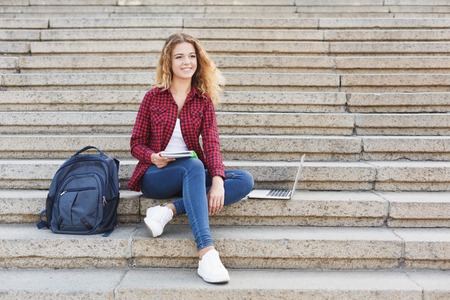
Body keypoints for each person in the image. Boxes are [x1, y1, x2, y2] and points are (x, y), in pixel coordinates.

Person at [128, 33, 254, 284]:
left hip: (191, 171)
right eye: (179, 57)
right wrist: (153, 157)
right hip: (156, 174)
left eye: (191, 56)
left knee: (244, 180)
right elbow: (135, 144)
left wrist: (217, 179)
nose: (187, 61)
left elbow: (211, 143)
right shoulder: (153, 97)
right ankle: (206, 252)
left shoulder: (203, 101)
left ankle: (169, 209)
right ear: (169, 62)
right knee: (194, 165)